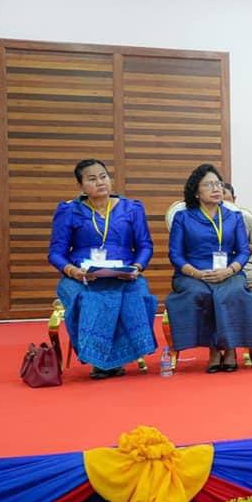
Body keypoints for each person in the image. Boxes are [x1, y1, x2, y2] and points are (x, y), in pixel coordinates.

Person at [48, 159, 157, 380]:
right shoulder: (69, 211)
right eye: (92, 179)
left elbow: (145, 245)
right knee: (88, 300)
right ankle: (99, 360)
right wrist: (73, 271)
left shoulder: (131, 208)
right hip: (83, 277)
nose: (100, 182)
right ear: (81, 186)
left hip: (124, 275)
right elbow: (56, 253)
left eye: (103, 176)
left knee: (137, 294)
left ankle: (117, 358)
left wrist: (137, 267)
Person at [166, 164, 252, 372]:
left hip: (229, 271)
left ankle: (229, 349)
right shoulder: (183, 217)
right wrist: (196, 273)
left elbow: (243, 251)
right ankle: (213, 350)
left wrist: (229, 270)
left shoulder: (234, 217)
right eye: (208, 185)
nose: (216, 189)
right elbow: (175, 254)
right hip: (193, 273)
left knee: (231, 292)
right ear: (196, 192)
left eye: (218, 184)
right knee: (201, 294)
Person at [221, 182, 252, 297]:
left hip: (244, 265)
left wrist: (238, 243)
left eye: (228, 202)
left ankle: (241, 305)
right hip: (215, 263)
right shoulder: (205, 218)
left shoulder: (246, 217)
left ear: (234, 199)